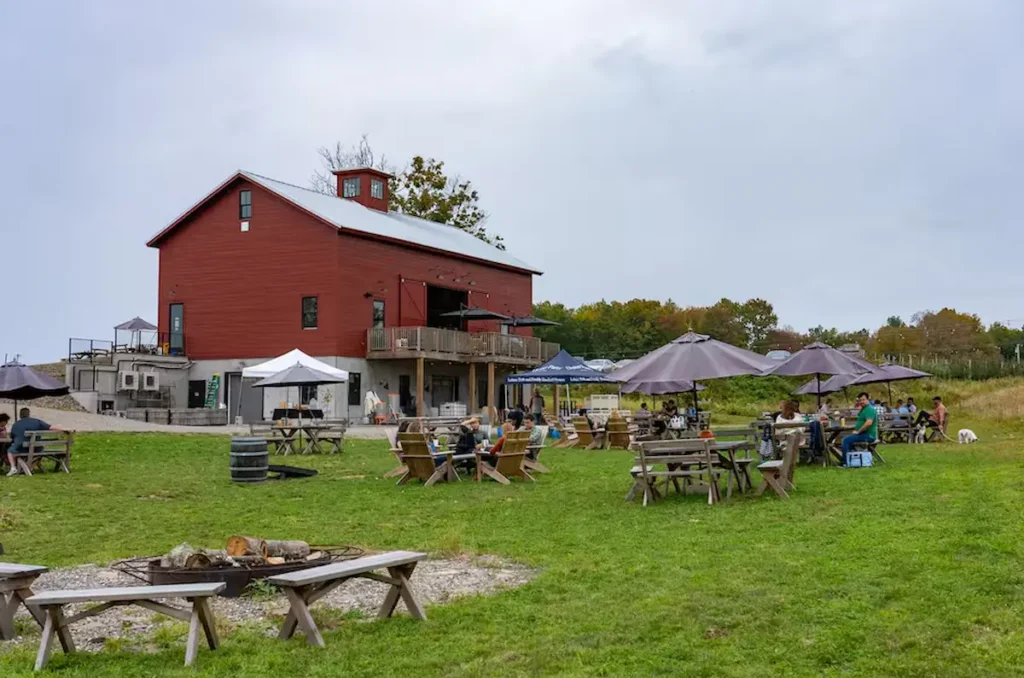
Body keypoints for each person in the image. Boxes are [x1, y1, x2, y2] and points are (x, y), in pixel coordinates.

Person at [7, 408, 63, 476]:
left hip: (22, 449)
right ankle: (29, 468)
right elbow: (50, 427)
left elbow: (12, 438)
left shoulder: (16, 425)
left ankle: (14, 467)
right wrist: (65, 429)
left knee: (10, 450)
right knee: (40, 451)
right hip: (37, 449)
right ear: (29, 414)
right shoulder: (36, 422)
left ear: (20, 415)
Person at [841, 393, 877, 466]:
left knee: (845, 440)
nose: (861, 402)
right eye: (860, 400)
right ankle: (852, 460)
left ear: (868, 400)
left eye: (863, 400)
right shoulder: (864, 409)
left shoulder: (869, 409)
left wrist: (858, 431)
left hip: (868, 435)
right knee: (847, 438)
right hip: (863, 434)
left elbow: (868, 423)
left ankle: (846, 463)